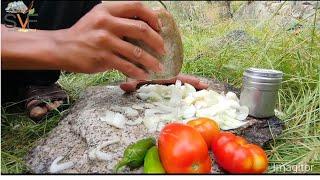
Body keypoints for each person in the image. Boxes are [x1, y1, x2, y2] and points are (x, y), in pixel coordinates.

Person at [1, 1, 208, 121]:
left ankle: (36, 79)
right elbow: (71, 40)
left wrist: (145, 66)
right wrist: (58, 44)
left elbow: (93, 35)